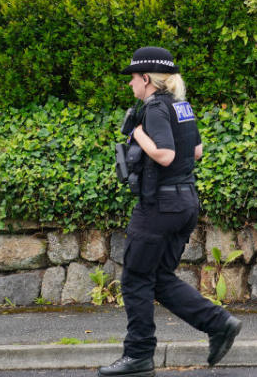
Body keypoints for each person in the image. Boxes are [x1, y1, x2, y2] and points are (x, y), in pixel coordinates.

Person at [99, 47, 241, 377]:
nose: (131, 85)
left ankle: (138, 356)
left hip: (159, 208)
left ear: (146, 79)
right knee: (158, 278)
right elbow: (197, 151)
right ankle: (219, 323)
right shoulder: (181, 107)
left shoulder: (154, 110)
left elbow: (163, 155)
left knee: (135, 279)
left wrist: (136, 133)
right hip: (184, 203)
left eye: (134, 78)